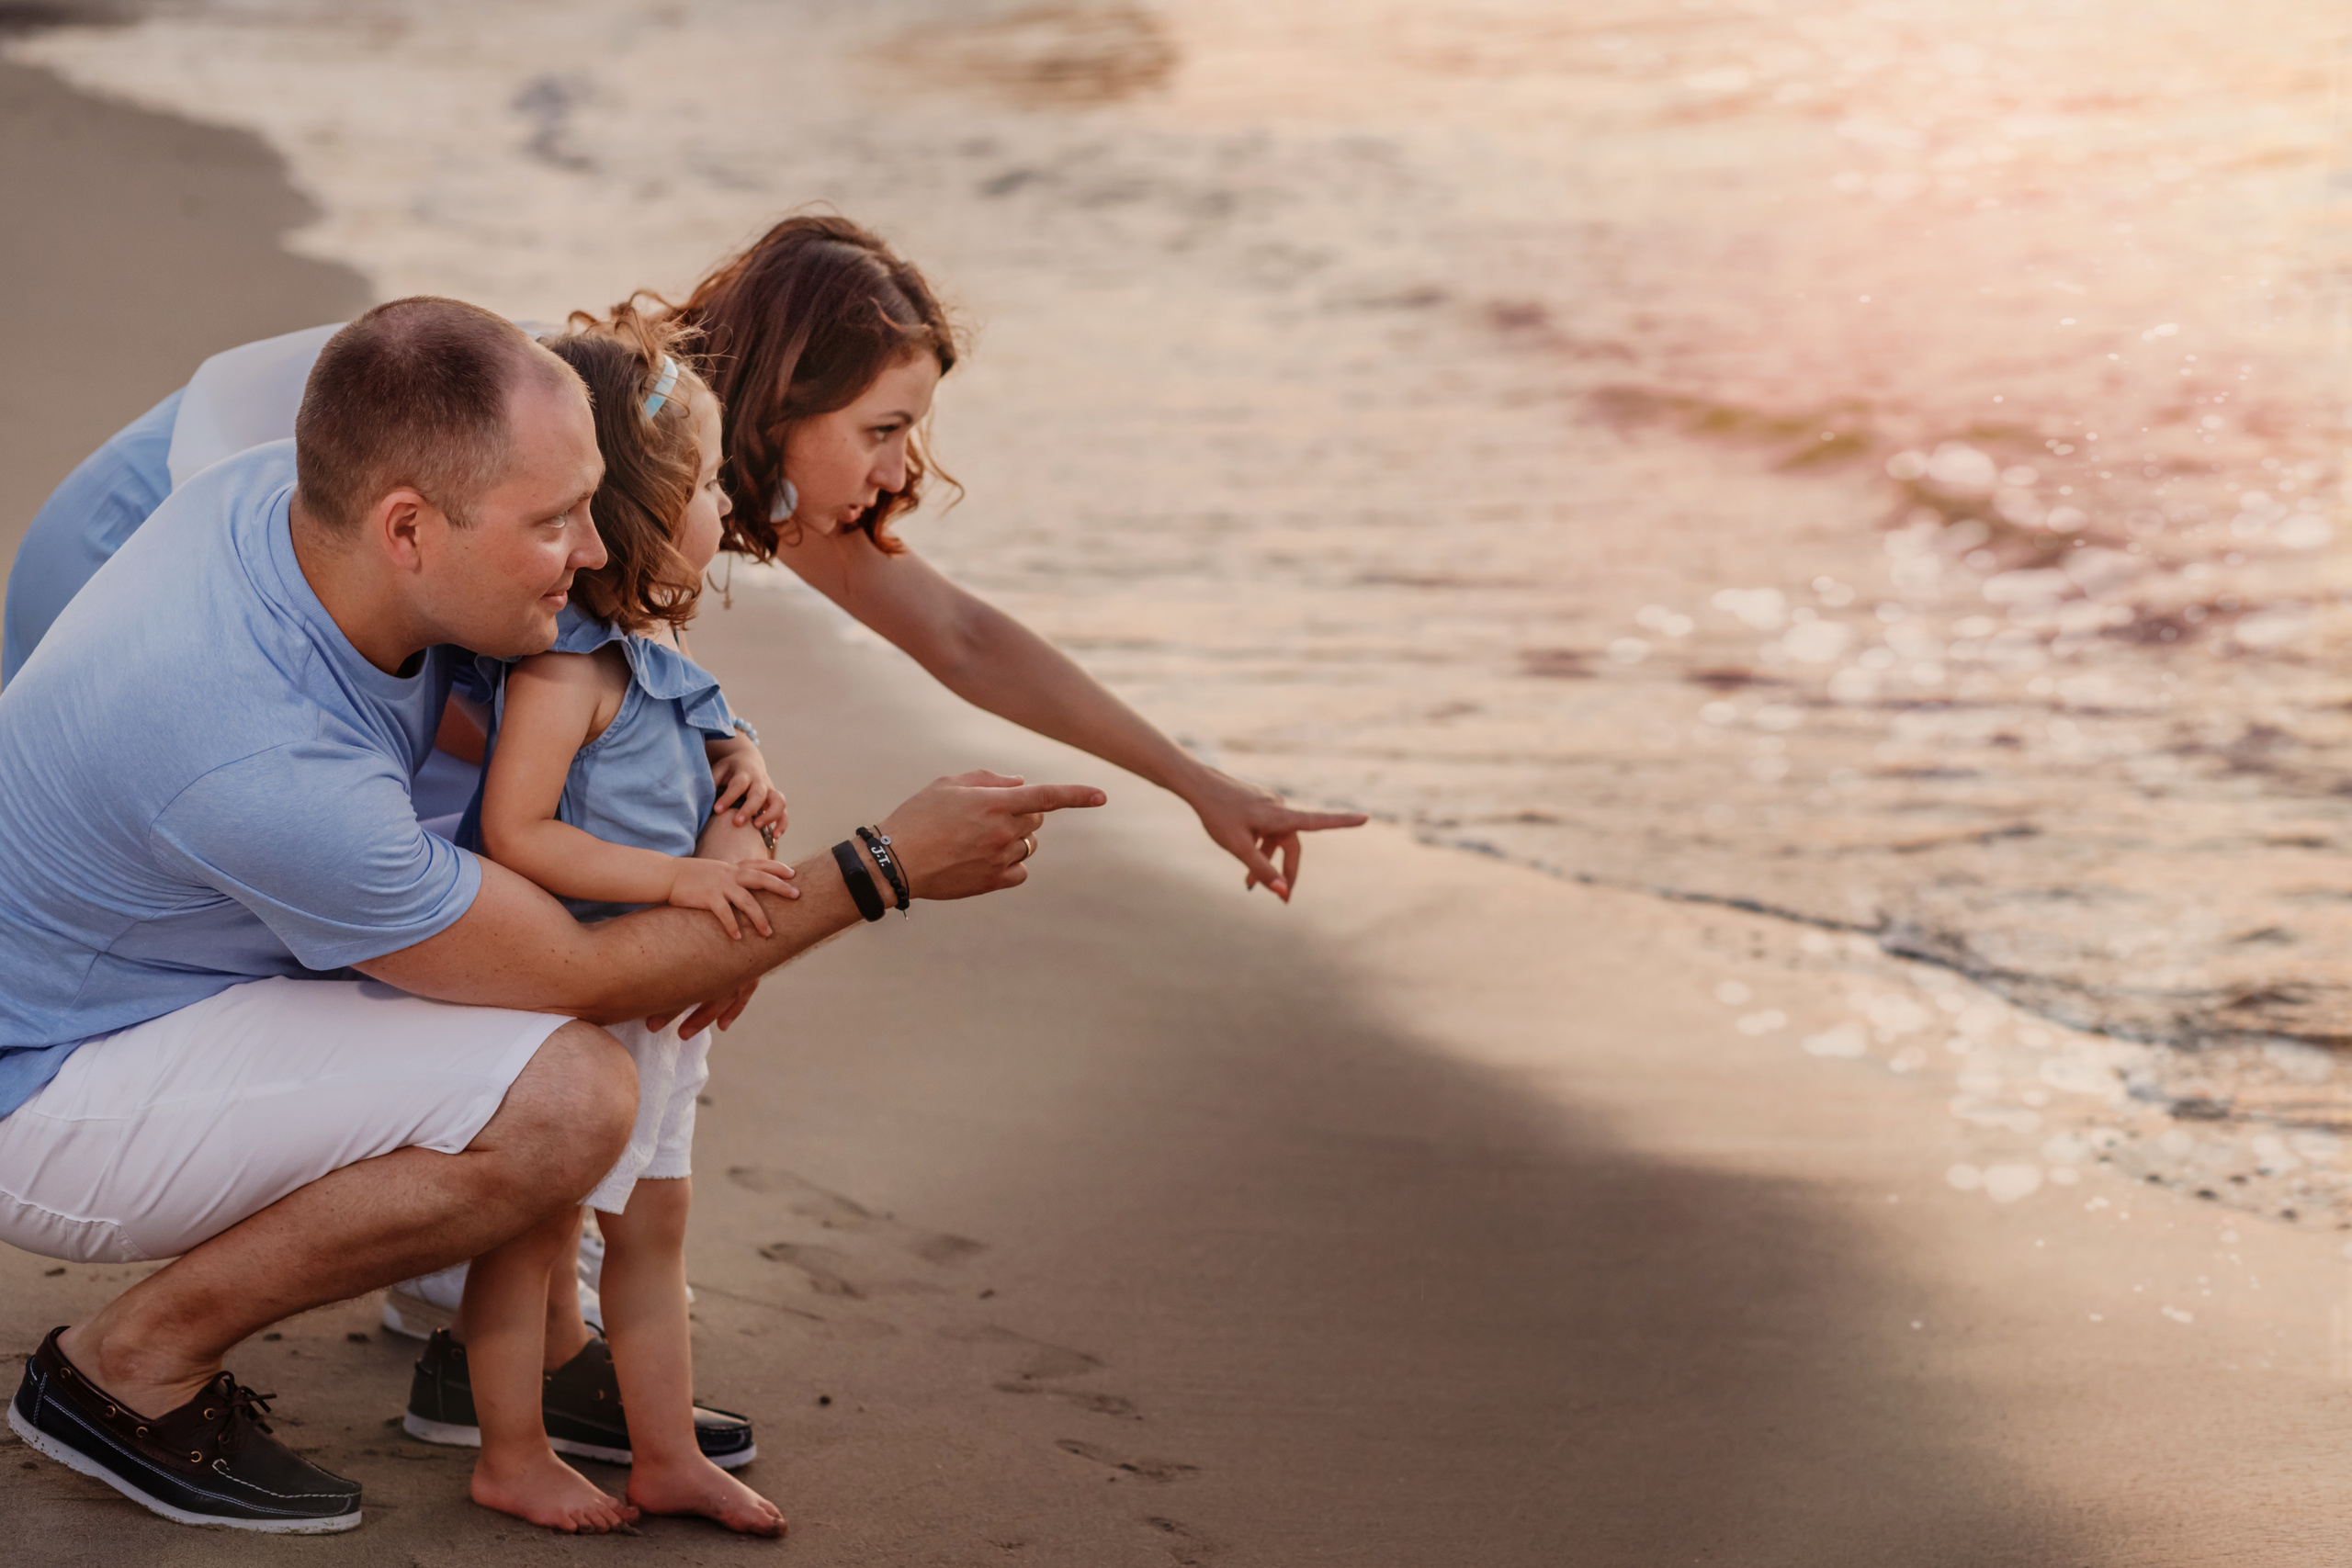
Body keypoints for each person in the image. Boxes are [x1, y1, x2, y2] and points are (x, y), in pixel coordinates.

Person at [0, 298, 1103, 1534]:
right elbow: (577, 969)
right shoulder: (263, 759)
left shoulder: (300, 506)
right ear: (408, 528)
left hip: (153, 965)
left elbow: (608, 710)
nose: (593, 549)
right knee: (566, 1099)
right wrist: (880, 868)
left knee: (523, 997)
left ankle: (512, 1339)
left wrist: (726, 778)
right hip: (50, 1076)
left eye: (591, 503)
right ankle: (130, 1366)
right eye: (555, 524)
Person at [2, 214, 1365, 897]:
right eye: (884, 429)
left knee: (576, 791)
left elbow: (958, 634)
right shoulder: (605, 428)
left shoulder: (693, 447)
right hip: (151, 549)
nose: (902, 470)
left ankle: (486, 1240)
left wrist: (1199, 783)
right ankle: (475, 1250)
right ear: (789, 401)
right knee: (517, 811)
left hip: (251, 551)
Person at [422, 315, 791, 1534]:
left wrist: (742, 768)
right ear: (637, 513)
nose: (725, 506)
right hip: (578, 994)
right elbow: (519, 830)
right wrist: (678, 885)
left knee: (656, 1225)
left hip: (658, 1005)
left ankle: (665, 1453)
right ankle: (511, 1452)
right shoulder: (566, 672)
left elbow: (695, 744)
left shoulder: (658, 651)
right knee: (534, 1236)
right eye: (706, 486)